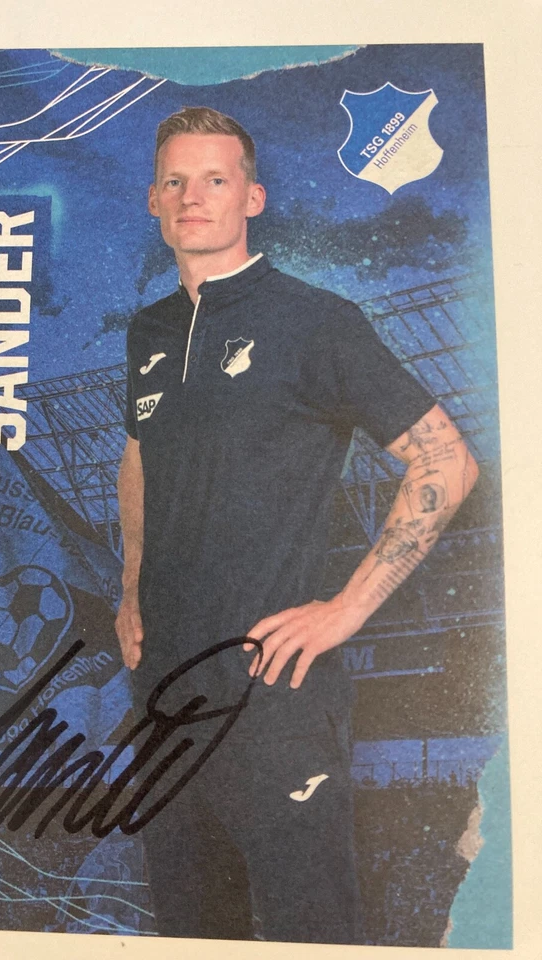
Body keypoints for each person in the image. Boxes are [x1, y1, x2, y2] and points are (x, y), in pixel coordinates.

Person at [115, 106, 478, 943]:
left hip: (274, 688)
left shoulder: (317, 322)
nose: (193, 196)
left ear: (253, 197)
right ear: (154, 201)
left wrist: (346, 610)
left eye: (215, 179)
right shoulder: (149, 331)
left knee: (310, 932)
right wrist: (131, 585)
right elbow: (137, 458)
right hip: (163, 687)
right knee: (191, 928)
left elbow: (446, 462)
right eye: (175, 180)